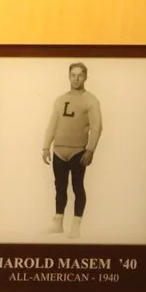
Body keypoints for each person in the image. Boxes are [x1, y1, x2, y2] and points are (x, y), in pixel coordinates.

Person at [41, 62, 102, 237]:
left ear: (85, 77)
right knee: (59, 187)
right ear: (68, 77)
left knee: (77, 186)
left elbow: (97, 127)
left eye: (80, 75)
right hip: (59, 150)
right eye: (73, 75)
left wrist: (90, 150)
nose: (76, 78)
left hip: (78, 151)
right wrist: (46, 147)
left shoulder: (91, 100)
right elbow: (52, 125)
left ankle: (76, 227)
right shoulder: (60, 99)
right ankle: (58, 223)